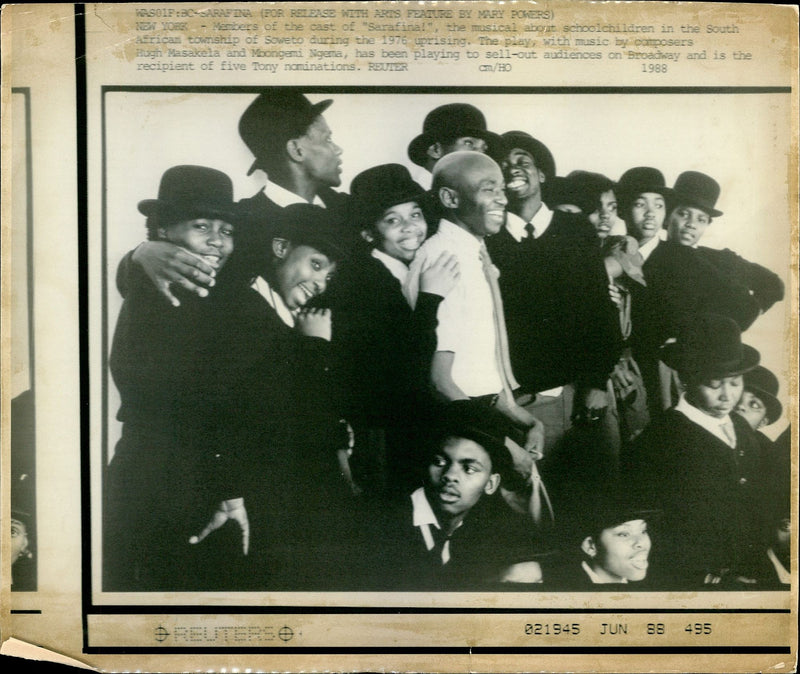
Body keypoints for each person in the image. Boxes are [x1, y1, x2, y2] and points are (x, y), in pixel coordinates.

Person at [104, 165, 250, 591]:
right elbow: (196, 403)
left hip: (168, 472)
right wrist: (230, 489)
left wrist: (139, 254)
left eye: (226, 230)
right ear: (164, 232)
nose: (217, 241)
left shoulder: (191, 290)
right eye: (201, 226)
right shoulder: (162, 295)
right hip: (164, 478)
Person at [121, 91, 349, 307]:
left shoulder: (352, 211)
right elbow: (166, 285)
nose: (338, 149)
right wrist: (139, 256)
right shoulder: (236, 224)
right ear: (296, 150)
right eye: (327, 139)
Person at [403, 151, 545, 484]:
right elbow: (441, 382)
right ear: (450, 198)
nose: (502, 199)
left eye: (501, 189)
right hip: (463, 435)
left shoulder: (472, 253)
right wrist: (505, 447)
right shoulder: (444, 260)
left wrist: (527, 421)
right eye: (488, 189)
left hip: (484, 416)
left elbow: (474, 371)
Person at [487, 133, 622, 473]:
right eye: (503, 167)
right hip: (526, 398)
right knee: (538, 499)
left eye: (522, 162)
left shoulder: (576, 230)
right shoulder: (488, 238)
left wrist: (596, 383)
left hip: (582, 391)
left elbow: (601, 310)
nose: (513, 170)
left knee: (596, 490)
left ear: (542, 174)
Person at [326, 164, 459, 498]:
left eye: (415, 215)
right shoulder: (362, 281)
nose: (410, 228)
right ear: (369, 233)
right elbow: (404, 367)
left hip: (405, 428)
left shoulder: (406, 271)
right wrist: (431, 298)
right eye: (393, 220)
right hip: (381, 435)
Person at [624, 313, 771, 590]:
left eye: (736, 383)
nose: (727, 396)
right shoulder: (660, 440)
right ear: (686, 381)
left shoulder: (741, 427)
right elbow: (652, 529)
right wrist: (707, 578)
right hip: (695, 577)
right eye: (714, 385)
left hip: (752, 565)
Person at [615, 167, 761, 416]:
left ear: (665, 211)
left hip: (661, 369)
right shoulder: (613, 251)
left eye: (658, 205)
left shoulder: (684, 257)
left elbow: (746, 306)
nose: (650, 214)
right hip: (619, 371)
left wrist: (696, 340)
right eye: (640, 204)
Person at [372, 400, 542, 590]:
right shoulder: (381, 525)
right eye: (440, 461)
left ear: (491, 484)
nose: (450, 476)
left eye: (469, 469)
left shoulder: (485, 530)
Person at [665, 170, 784, 315]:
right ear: (667, 216)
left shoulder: (721, 261)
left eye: (701, 219)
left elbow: (773, 284)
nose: (691, 224)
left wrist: (748, 315)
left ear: (707, 225)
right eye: (684, 214)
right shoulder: (643, 255)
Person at [542, 489, 657, 590]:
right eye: (624, 534)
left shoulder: (655, 583)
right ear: (590, 546)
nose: (641, 543)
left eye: (643, 531)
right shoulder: (558, 586)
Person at [407, 102, 504, 185]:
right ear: (435, 150)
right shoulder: (411, 199)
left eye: (483, 148)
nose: (481, 155)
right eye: (468, 143)